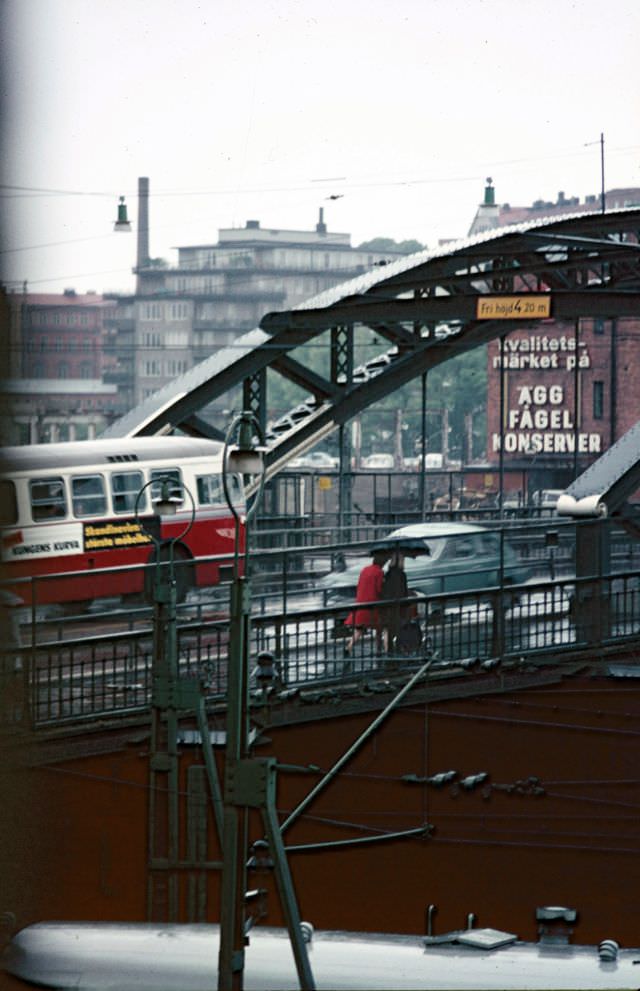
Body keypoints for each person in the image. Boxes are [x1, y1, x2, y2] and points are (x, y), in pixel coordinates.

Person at [344, 551, 388, 655]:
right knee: (383, 627)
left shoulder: (365, 569)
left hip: (361, 603)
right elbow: (379, 589)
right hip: (373, 605)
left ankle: (349, 646)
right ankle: (384, 651)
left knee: (359, 629)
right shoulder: (379, 572)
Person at [380, 551, 409, 652]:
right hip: (399, 606)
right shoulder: (402, 575)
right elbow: (404, 591)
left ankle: (388, 649)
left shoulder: (387, 574)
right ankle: (400, 649)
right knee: (400, 628)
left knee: (388, 629)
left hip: (388, 605)